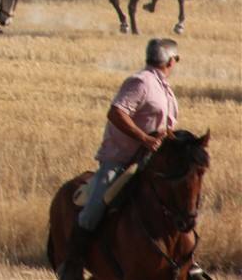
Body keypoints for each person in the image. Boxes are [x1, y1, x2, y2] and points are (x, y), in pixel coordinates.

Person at [58, 39, 191, 280]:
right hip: (122, 162)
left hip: (151, 164)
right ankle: (73, 262)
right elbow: (116, 112)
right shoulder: (141, 82)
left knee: (178, 205)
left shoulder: (165, 88)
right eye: (176, 60)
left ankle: (187, 261)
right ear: (171, 61)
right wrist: (144, 138)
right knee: (95, 207)